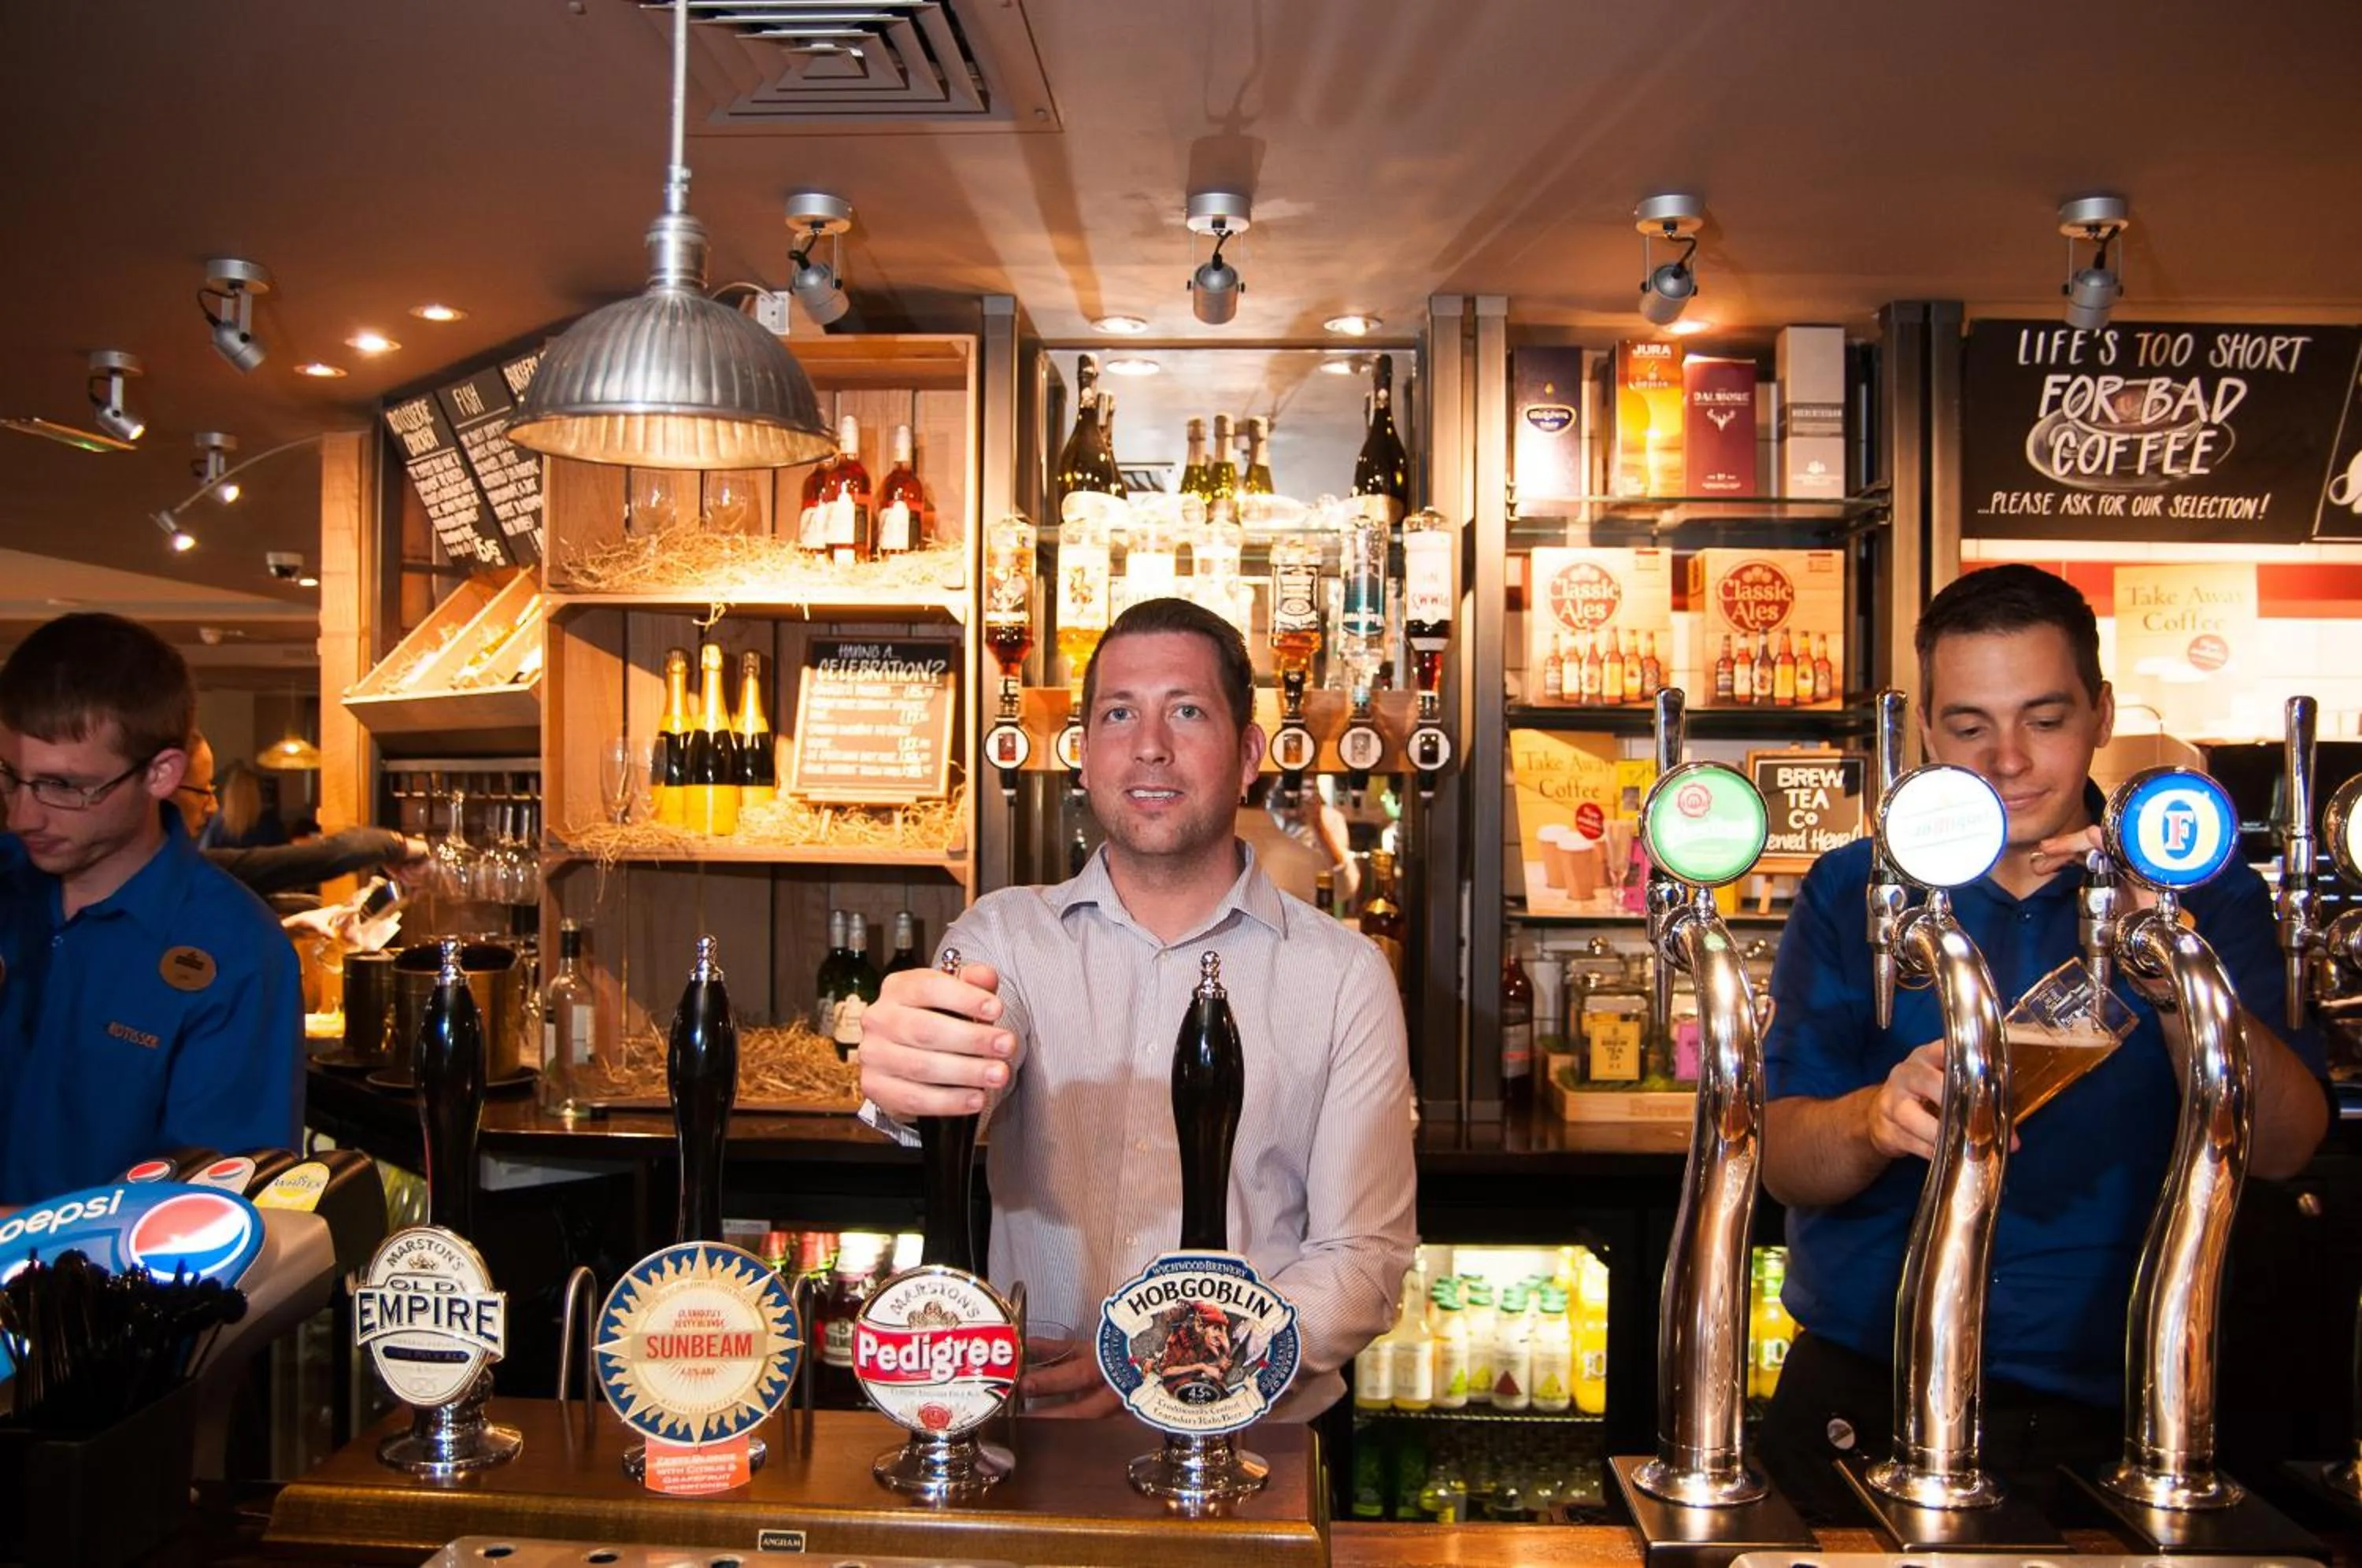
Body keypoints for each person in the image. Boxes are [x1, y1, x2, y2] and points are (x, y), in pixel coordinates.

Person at [1757, 564, 2331, 1514]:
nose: (2007, 761)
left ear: (2102, 714)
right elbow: (1782, 1160)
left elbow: (2284, 1144)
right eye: (1969, 726)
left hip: (2130, 1410)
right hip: (1866, 1398)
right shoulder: (1857, 888)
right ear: (1926, 731)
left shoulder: (2197, 888)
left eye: (2046, 718)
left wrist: (2174, 977)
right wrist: (1874, 1120)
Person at [858, 596, 1417, 1419]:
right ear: (1084, 758)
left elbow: (1362, 1260)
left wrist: (1160, 1363)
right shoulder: (1006, 937)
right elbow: (949, 1074)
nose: (1150, 747)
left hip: (1249, 1444)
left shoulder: (1344, 976)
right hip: (1033, 1426)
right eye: (1120, 714)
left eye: (1186, 712)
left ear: (1250, 754)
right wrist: (913, 1074)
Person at [0, 613, 305, 1204]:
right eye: (13, 778)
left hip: (92, 1295)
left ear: (162, 773)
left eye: (65, 787)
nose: (22, 817)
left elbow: (213, 1217)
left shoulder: (237, 952)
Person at [176, 734, 429, 897]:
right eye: (202, 791)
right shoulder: (178, 872)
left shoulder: (175, 869)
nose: (212, 807)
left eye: (214, 791)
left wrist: (290, 927)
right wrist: (395, 845)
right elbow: (300, 860)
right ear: (161, 783)